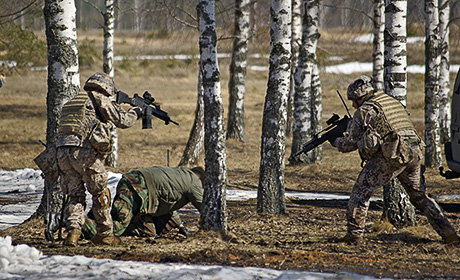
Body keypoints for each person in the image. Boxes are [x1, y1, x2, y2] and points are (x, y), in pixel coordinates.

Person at [330, 74, 460, 245]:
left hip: (394, 156)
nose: (353, 104)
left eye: (355, 100)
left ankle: (354, 235)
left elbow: (349, 145)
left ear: (362, 97)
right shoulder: (390, 101)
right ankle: (449, 235)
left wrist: (335, 141)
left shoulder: (365, 110)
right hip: (414, 152)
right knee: (420, 197)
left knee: (360, 191)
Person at [56, 72, 143, 246]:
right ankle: (104, 234)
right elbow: (123, 121)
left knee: (75, 196)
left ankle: (73, 233)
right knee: (100, 193)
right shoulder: (100, 99)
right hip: (84, 153)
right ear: (105, 86)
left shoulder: (73, 101)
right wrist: (136, 111)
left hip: (62, 154)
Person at [82, 166, 204, 240]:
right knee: (115, 229)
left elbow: (170, 204)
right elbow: (205, 209)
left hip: (138, 185)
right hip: (136, 186)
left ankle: (100, 217)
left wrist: (180, 227)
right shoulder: (195, 183)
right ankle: (80, 223)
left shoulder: (183, 176)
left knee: (148, 232)